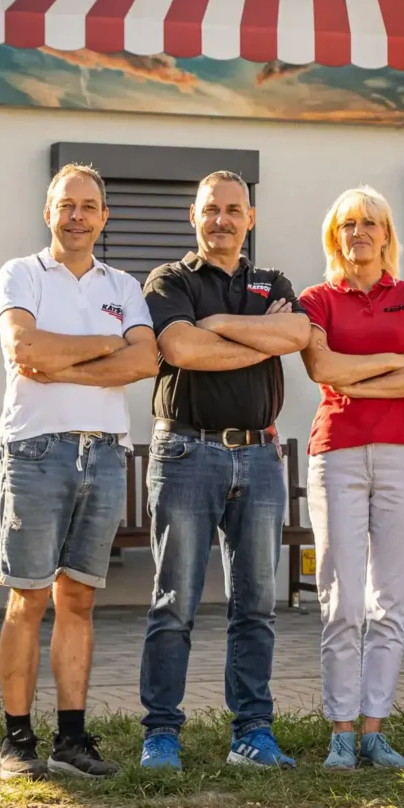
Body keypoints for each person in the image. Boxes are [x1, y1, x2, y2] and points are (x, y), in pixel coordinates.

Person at [0, 162, 159, 780]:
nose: (78, 216)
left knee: (79, 599)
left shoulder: (124, 284)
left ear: (104, 216)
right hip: (36, 449)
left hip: (105, 451)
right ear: (48, 212)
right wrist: (107, 342)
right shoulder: (21, 274)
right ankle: (15, 742)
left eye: (90, 205)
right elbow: (24, 349)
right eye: (67, 205)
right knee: (29, 596)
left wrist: (67, 360)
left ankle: (72, 738)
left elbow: (146, 361)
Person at [138, 171, 310, 771]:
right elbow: (180, 349)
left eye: (233, 210)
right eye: (211, 210)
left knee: (256, 604)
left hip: (261, 456)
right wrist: (265, 340)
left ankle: (253, 734)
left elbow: (301, 332)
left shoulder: (273, 281)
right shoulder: (170, 280)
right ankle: (161, 734)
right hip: (187, 452)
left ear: (250, 219)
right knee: (173, 602)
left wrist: (221, 328)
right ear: (194, 216)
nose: (222, 220)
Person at [298, 188, 404, 770]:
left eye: (371, 224)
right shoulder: (316, 300)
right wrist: (392, 363)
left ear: (388, 236)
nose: (359, 233)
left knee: (390, 600)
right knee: (342, 599)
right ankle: (340, 731)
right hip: (337, 453)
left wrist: (357, 381)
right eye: (348, 224)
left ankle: (375, 731)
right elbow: (321, 368)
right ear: (336, 236)